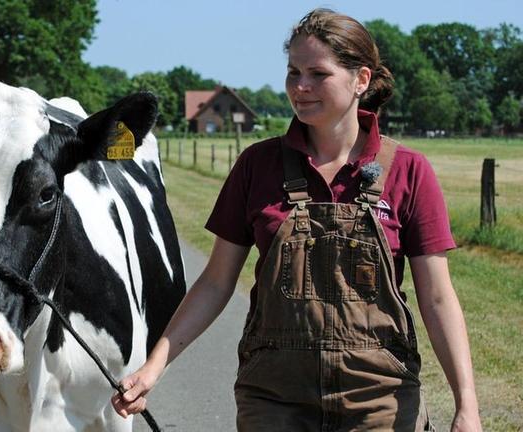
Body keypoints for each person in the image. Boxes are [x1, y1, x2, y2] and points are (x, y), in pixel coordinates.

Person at [112, 8, 482, 432]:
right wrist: (154, 367)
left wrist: (466, 405)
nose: (300, 87)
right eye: (293, 73)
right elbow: (215, 282)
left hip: (379, 399)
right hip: (274, 400)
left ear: (361, 80)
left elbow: (437, 298)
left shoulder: (408, 171)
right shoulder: (257, 165)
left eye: (317, 74)